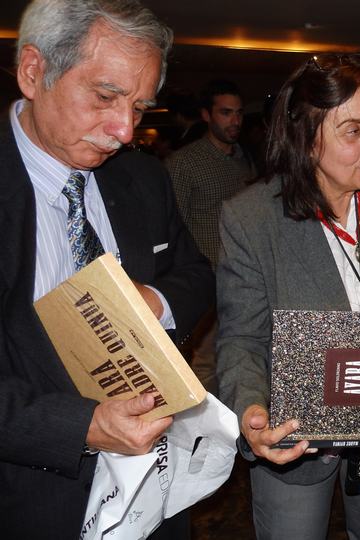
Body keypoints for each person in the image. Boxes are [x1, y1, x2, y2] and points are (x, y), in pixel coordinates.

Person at [1, 1, 214, 538]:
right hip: (27, 496)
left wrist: (153, 304)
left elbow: (195, 274)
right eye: (104, 96)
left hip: (153, 492)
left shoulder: (142, 178)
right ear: (33, 72)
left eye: (139, 108)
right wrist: (82, 426)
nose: (124, 130)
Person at [216, 53, 360, 539]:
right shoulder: (252, 218)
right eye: (352, 131)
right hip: (298, 435)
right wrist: (253, 413)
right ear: (305, 137)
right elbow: (241, 338)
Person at [166, 79, 256, 393]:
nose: (235, 121)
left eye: (239, 113)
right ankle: (205, 422)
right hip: (207, 280)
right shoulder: (184, 162)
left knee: (241, 352)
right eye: (226, 113)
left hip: (244, 278)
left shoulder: (245, 159)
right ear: (206, 115)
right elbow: (171, 227)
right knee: (204, 361)